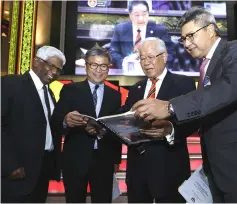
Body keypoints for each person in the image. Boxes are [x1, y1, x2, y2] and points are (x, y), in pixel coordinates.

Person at [132, 6, 237, 203]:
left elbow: (227, 88)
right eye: (183, 39)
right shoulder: (206, 64)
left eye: (191, 36)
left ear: (210, 30)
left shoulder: (233, 51)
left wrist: (169, 107)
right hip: (216, 168)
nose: (187, 44)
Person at [119, 37, 196, 203]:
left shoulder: (184, 84)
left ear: (165, 56)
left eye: (151, 57)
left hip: (170, 168)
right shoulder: (135, 89)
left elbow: (193, 120)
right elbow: (123, 121)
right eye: (142, 58)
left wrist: (170, 129)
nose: (146, 63)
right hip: (137, 171)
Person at [51, 45, 122, 203]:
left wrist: (116, 160)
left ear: (108, 68)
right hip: (76, 159)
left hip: (104, 160)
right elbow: (56, 119)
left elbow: (117, 129)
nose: (99, 70)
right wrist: (65, 120)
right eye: (94, 65)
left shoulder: (115, 95)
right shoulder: (70, 90)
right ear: (86, 66)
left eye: (103, 65)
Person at [1, 46, 66, 203]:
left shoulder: (49, 92)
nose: (55, 73)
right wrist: (8, 165)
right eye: (51, 66)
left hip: (42, 169)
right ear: (36, 62)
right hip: (17, 170)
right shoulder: (11, 84)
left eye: (59, 69)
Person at [110, 0, 174, 70]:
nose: (141, 19)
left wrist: (156, 65)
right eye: (137, 15)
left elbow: (170, 53)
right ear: (130, 15)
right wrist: (125, 62)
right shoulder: (120, 29)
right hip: (127, 71)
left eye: (144, 14)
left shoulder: (159, 30)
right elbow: (113, 52)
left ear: (148, 14)